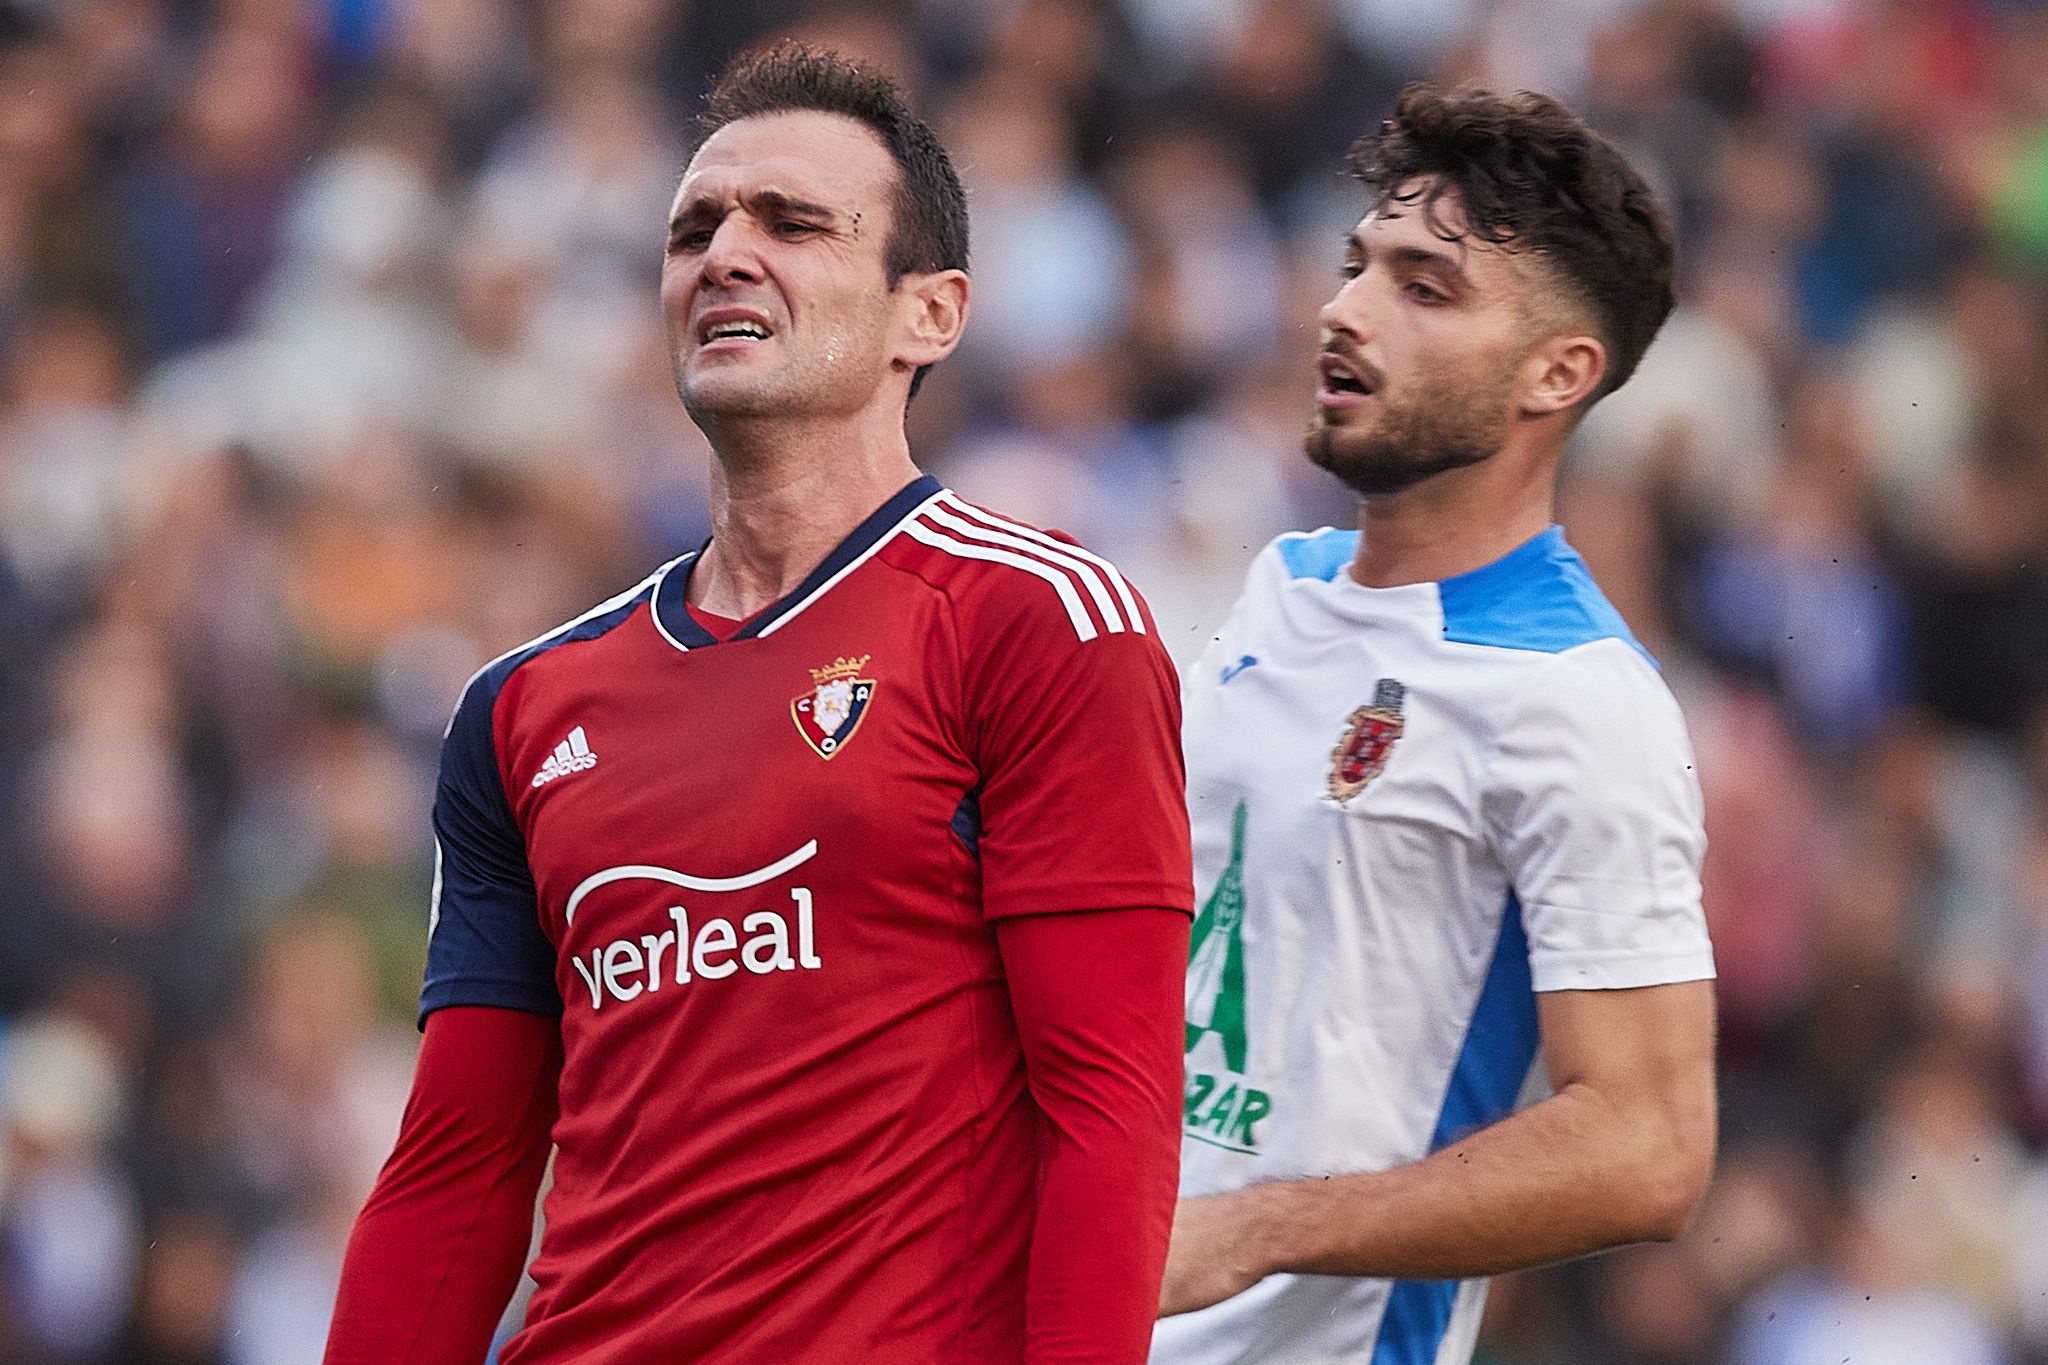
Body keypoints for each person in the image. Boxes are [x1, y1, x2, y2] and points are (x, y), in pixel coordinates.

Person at [323, 44, 1194, 1365]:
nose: (725, 255)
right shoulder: (519, 706)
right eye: (695, 231)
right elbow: (458, 1172)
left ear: (929, 314)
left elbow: (1110, 1110)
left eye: (791, 223)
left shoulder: (1040, 623)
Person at [1151, 85, 1719, 1364]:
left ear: (1557, 373)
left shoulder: (1575, 698)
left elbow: (1648, 1148)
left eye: (1424, 288)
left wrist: (1253, 1231)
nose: (1345, 309)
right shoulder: (1279, 588)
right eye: (1357, 264)